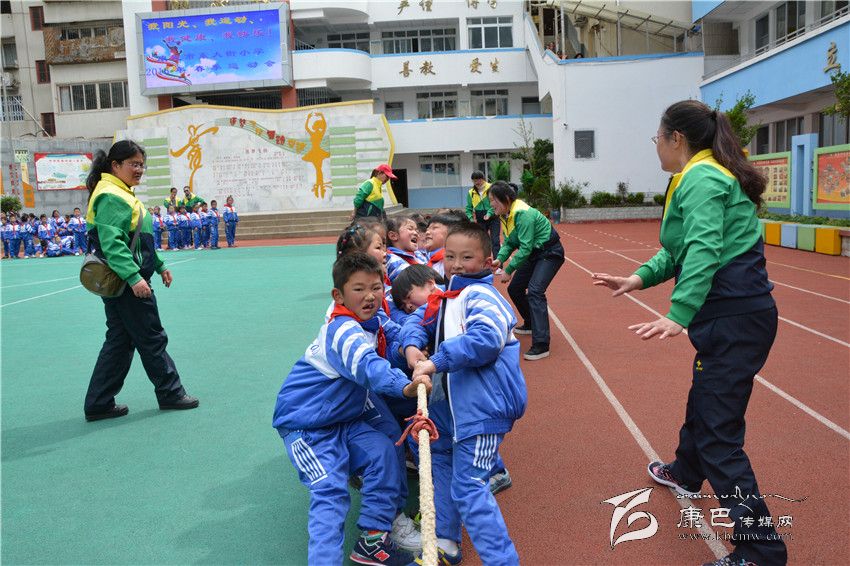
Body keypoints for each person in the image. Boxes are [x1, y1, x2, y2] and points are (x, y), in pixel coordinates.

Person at [591, 100, 788, 566]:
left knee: (720, 436)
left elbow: (704, 248)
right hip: (733, 317)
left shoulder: (701, 177)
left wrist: (679, 313)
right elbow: (678, 251)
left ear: (675, 138)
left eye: (656, 138)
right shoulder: (701, 174)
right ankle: (685, 470)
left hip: (733, 318)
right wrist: (637, 278)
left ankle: (761, 550)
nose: (656, 147)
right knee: (705, 397)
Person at [272, 253, 430, 565]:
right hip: (307, 427)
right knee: (329, 492)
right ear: (339, 295)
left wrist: (410, 347)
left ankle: (373, 540)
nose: (369, 296)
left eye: (375, 287)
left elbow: (396, 332)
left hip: (344, 417)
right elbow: (367, 365)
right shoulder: (342, 329)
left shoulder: (371, 320)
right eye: (359, 289)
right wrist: (404, 386)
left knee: (384, 451)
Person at [401, 222, 526, 564]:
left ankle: (502, 561)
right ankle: (446, 542)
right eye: (450, 257)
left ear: (486, 262)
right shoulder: (447, 297)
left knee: (469, 487)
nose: (456, 264)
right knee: (440, 466)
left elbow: (485, 339)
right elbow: (417, 321)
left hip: (480, 411)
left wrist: (435, 361)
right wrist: (411, 346)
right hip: (449, 410)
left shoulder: (482, 297)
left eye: (466, 257)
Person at [83, 140, 198, 422]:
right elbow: (113, 244)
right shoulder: (111, 195)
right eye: (133, 164)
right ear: (115, 165)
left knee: (119, 341)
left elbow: (138, 240)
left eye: (141, 165)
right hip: (126, 282)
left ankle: (99, 402)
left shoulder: (121, 192)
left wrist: (159, 265)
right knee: (151, 336)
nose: (139, 170)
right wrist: (135, 278)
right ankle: (170, 393)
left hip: (123, 280)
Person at [489, 181, 565, 361]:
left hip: (549, 253)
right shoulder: (505, 214)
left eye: (493, 200)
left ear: (506, 199)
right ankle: (531, 323)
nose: (491, 204)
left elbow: (525, 247)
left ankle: (541, 344)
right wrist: (500, 259)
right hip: (533, 254)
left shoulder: (523, 214)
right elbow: (509, 242)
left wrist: (509, 269)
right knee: (515, 289)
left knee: (535, 292)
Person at [466, 170, 501, 259]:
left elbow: (496, 203)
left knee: (495, 241)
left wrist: (489, 214)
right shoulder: (471, 192)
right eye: (474, 180)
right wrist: (471, 219)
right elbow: (468, 208)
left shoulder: (491, 188)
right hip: (480, 219)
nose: (477, 182)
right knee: (483, 242)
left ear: (483, 179)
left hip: (493, 218)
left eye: (479, 180)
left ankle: (498, 263)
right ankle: (485, 261)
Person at [385, 215, 423, 282]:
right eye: (410, 229)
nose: (416, 233)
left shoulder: (418, 254)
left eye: (416, 230)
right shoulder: (392, 260)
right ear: (393, 236)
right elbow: (412, 283)